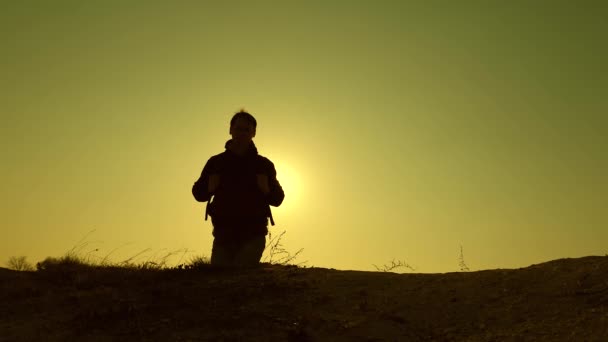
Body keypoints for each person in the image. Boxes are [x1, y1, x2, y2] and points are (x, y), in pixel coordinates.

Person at [192, 110, 285, 267]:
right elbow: (198, 194)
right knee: (220, 278)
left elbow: (278, 199)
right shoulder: (216, 162)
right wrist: (209, 188)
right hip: (224, 235)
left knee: (239, 272)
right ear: (230, 130)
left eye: (246, 129)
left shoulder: (263, 165)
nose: (241, 133)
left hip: (253, 234)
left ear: (254, 133)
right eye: (238, 128)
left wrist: (266, 190)